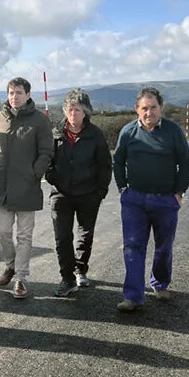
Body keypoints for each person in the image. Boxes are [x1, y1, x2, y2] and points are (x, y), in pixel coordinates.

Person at [112, 87, 189, 312]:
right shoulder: (128, 132)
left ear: (161, 108)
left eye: (153, 107)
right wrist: (122, 188)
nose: (149, 112)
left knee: (164, 246)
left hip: (165, 200)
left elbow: (185, 162)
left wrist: (179, 192)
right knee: (132, 247)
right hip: (134, 200)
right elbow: (118, 161)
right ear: (137, 109)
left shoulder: (173, 131)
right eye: (144, 108)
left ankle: (160, 284)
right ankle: (133, 297)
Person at [0, 77, 53, 299]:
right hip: (1, 186)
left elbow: (46, 152)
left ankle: (21, 278)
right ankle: (10, 266)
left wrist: (35, 173)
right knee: (3, 232)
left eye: (19, 92)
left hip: (26, 187)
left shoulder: (40, 121)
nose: (14, 97)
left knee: (24, 236)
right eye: (11, 92)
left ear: (28, 95)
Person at [45, 88, 112, 297]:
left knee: (85, 235)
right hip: (61, 194)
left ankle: (80, 269)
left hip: (88, 194)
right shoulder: (55, 133)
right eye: (70, 109)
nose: (73, 113)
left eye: (78, 110)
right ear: (65, 110)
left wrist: (100, 191)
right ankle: (67, 278)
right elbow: (46, 159)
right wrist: (52, 177)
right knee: (62, 237)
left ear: (86, 112)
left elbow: (105, 165)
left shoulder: (95, 135)